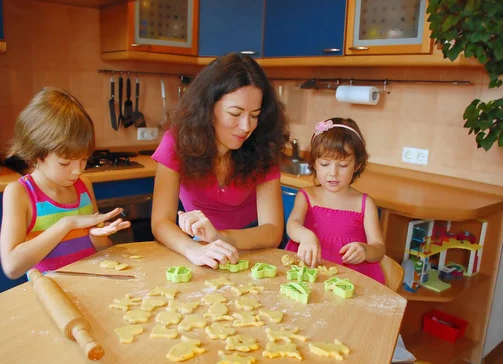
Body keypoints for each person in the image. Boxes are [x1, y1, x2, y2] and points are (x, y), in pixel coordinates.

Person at [151, 53, 289, 268]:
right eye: (235, 113)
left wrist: (220, 237)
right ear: (208, 108)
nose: (246, 127)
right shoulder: (177, 142)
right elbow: (161, 221)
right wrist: (194, 249)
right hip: (199, 246)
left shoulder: (264, 145)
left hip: (253, 247)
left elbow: (272, 230)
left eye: (254, 115)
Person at [0, 88, 131, 279]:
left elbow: (101, 251)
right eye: (65, 162)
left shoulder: (84, 184)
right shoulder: (20, 193)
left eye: (84, 159)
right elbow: (12, 267)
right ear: (37, 152)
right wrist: (68, 223)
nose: (78, 170)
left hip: (91, 286)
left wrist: (98, 236)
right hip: (51, 296)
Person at [285, 117, 386, 284]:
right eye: (325, 164)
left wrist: (365, 250)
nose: (333, 173)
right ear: (314, 163)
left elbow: (379, 248)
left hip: (349, 280)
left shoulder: (364, 204)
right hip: (309, 274)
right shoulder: (306, 196)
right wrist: (306, 236)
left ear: (357, 165)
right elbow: (292, 224)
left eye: (343, 165)